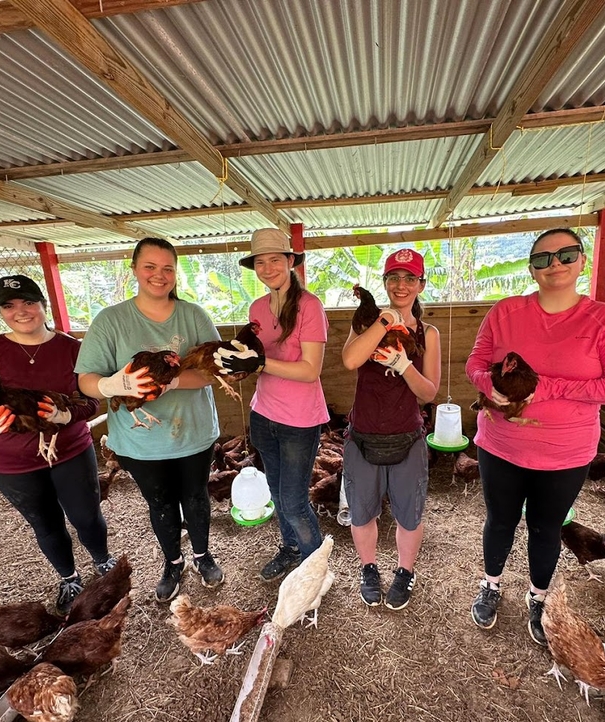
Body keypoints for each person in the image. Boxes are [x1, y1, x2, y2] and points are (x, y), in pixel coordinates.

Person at [466, 228, 605, 644]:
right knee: (500, 520)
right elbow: (476, 360)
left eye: (566, 254)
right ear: (531, 269)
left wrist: (548, 387)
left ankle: (539, 596)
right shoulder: (505, 312)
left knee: (546, 527)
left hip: (565, 452)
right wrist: (482, 382)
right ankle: (491, 584)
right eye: (543, 258)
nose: (555, 264)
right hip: (501, 444)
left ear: (582, 261)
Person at [75, 237, 224, 603]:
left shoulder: (194, 316)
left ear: (176, 273)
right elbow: (86, 381)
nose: (160, 275)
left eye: (168, 268)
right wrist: (111, 383)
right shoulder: (111, 321)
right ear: (135, 271)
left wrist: (171, 381)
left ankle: (203, 556)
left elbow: (212, 371)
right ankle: (173, 562)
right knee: (159, 503)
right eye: (150, 267)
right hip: (139, 439)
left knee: (195, 496)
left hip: (193, 431)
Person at [0, 274, 115, 615]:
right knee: (45, 523)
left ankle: (103, 561)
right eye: (9, 305)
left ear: (43, 305)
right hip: (11, 463)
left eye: (29, 302)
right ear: (1, 311)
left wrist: (66, 417)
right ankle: (69, 577)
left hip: (70, 450)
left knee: (86, 515)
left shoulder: (72, 349)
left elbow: (90, 401)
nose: (21, 311)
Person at [218, 228, 327, 581]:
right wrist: (239, 370)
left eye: (275, 260)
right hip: (263, 414)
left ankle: (313, 571)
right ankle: (292, 549)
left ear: (291, 261)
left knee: (295, 502)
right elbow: (250, 360)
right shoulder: (257, 308)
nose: (267, 268)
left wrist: (260, 364)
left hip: (299, 420)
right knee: (278, 496)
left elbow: (311, 370)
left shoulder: (310, 306)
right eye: (260, 262)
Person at [341, 249, 441, 610]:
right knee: (362, 511)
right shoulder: (366, 322)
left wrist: (403, 365)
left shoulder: (428, 333)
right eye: (394, 277)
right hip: (363, 435)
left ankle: (404, 572)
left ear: (421, 284)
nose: (402, 285)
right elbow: (351, 360)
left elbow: (429, 392)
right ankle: (369, 568)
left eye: (410, 278)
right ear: (384, 283)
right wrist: (385, 323)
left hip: (407, 436)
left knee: (409, 514)